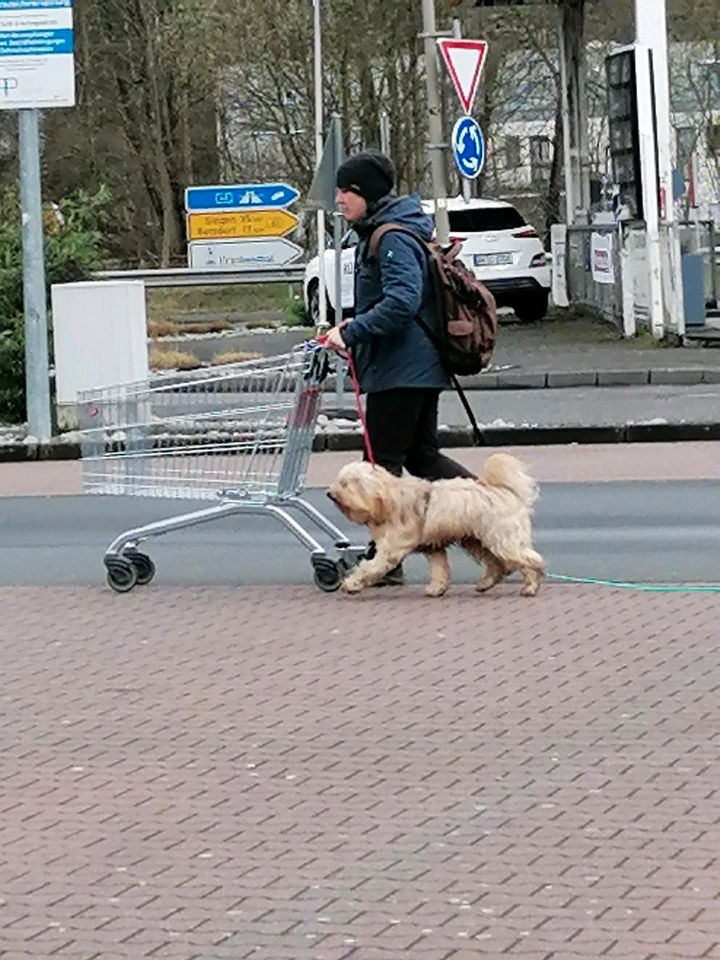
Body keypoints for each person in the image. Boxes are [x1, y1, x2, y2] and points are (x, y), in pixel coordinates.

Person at [324, 149, 474, 584]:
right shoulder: (390, 231)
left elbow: (402, 302)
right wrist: (354, 325)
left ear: (366, 194)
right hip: (416, 364)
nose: (339, 199)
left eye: (346, 191)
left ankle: (384, 560)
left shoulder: (389, 237)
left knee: (380, 465)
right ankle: (488, 510)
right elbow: (393, 301)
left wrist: (352, 333)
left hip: (401, 368)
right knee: (420, 456)